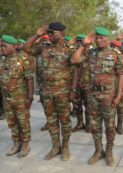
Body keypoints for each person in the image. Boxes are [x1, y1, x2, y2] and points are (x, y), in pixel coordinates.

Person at [71, 27, 123, 166]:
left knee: (110, 126)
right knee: (95, 125)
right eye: (97, 38)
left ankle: (109, 151)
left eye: (102, 38)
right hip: (93, 95)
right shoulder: (90, 53)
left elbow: (121, 76)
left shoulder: (115, 54)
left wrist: (118, 95)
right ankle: (98, 150)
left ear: (108, 38)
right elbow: (74, 60)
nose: (99, 40)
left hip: (108, 95)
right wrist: (84, 45)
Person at [24, 22, 73, 161]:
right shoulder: (43, 48)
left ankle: (65, 147)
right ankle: (55, 146)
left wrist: (73, 90)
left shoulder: (69, 49)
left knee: (65, 120)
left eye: (53, 33)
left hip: (62, 92)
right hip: (46, 93)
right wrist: (37, 35)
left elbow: (76, 70)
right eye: (49, 33)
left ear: (62, 33)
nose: (50, 35)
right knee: (51, 121)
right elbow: (26, 47)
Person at [0, 34, 35, 158]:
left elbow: (29, 79)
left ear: (13, 46)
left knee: (23, 121)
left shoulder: (22, 59)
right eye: (1, 46)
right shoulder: (2, 59)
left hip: (20, 98)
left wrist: (30, 97)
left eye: (4, 46)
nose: (2, 48)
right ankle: (16, 143)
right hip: (6, 98)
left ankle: (25, 145)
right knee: (12, 122)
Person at [70, 34, 91, 133]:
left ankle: (88, 124)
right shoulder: (74, 53)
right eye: (78, 41)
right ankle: (79, 123)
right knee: (77, 105)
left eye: (82, 41)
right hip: (76, 84)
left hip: (88, 85)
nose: (79, 43)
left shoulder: (91, 53)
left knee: (88, 106)